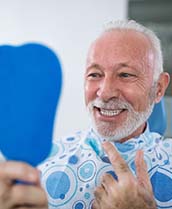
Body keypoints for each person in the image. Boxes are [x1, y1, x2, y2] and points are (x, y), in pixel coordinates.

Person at [0, 19, 171, 209]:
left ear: (159, 88)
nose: (105, 93)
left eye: (125, 75)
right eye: (95, 74)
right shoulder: (38, 167)